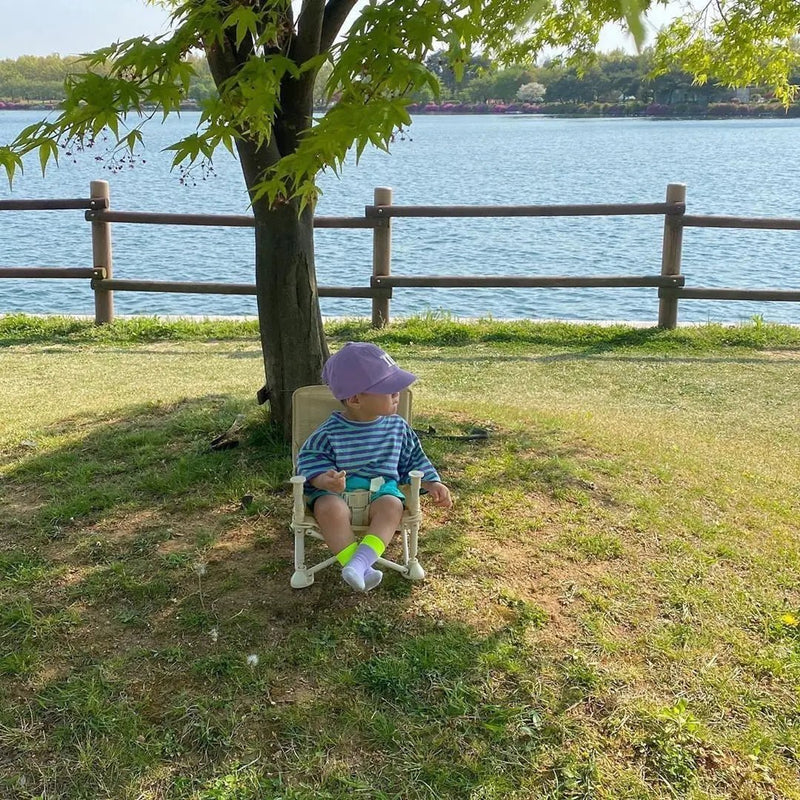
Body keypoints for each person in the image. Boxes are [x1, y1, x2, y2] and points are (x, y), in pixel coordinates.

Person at [297, 342, 452, 592]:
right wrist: (325, 480)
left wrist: (432, 482)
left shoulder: (397, 427)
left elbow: (414, 458)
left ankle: (357, 565)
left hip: (382, 492)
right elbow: (309, 460)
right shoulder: (330, 431)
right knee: (328, 508)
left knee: (392, 507)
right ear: (355, 399)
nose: (397, 393)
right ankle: (358, 567)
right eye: (388, 389)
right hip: (338, 494)